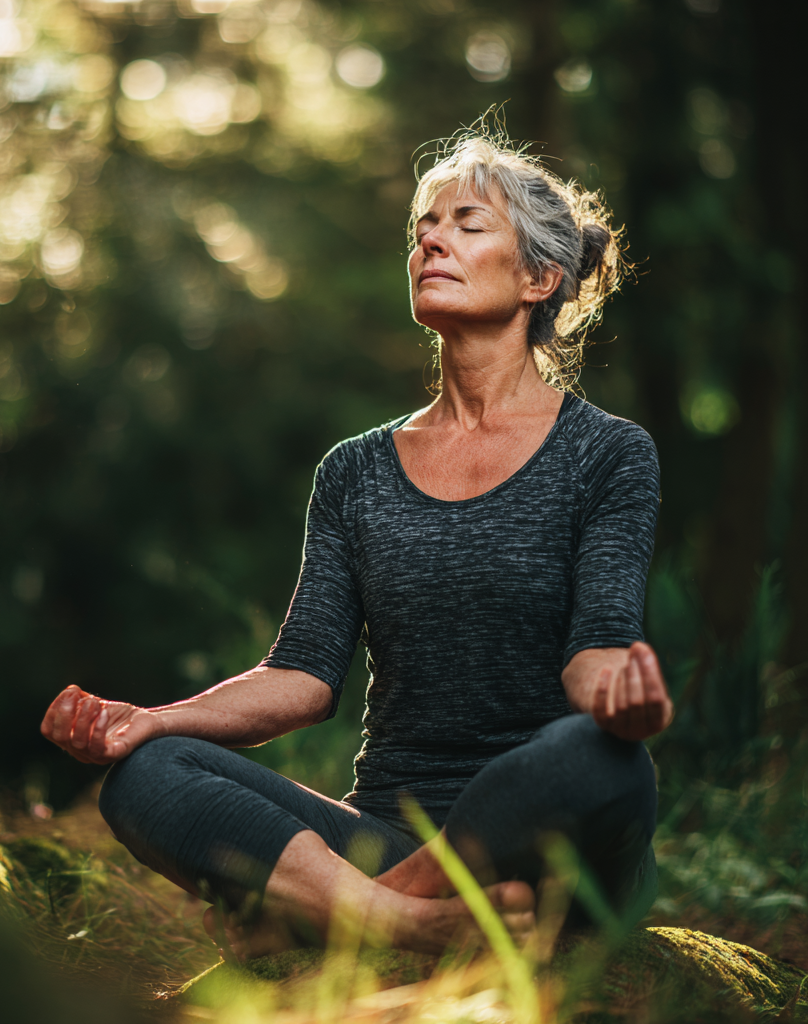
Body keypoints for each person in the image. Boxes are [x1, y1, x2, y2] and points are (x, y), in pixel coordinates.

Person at [40, 130, 673, 959]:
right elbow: (301, 677)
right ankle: (402, 921)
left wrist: (622, 705)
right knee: (149, 774)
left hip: (541, 842)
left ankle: (327, 916)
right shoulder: (356, 471)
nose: (431, 241)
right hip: (384, 837)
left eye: (466, 223)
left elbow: (595, 653)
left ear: (539, 279)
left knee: (604, 761)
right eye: (423, 229)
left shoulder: (608, 453)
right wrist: (150, 721)